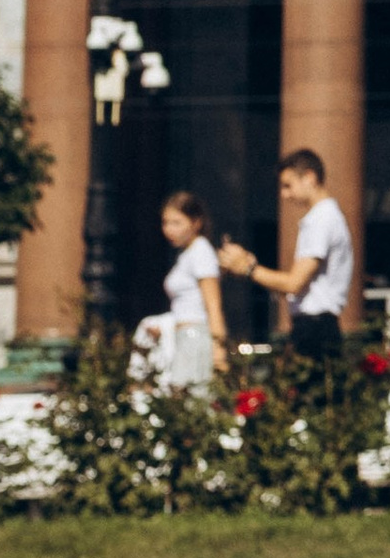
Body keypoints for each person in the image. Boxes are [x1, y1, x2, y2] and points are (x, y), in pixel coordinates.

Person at [220, 149, 355, 368]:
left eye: (288, 185)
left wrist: (247, 268)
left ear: (309, 178)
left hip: (315, 329)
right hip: (315, 327)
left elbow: (294, 283)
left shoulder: (321, 219)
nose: (284, 194)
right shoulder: (327, 216)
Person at [132, 189, 227, 394]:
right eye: (166, 222)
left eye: (177, 222)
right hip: (182, 336)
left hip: (196, 337)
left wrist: (218, 348)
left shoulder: (201, 251)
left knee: (191, 404)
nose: (169, 230)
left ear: (196, 222)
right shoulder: (187, 254)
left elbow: (213, 304)